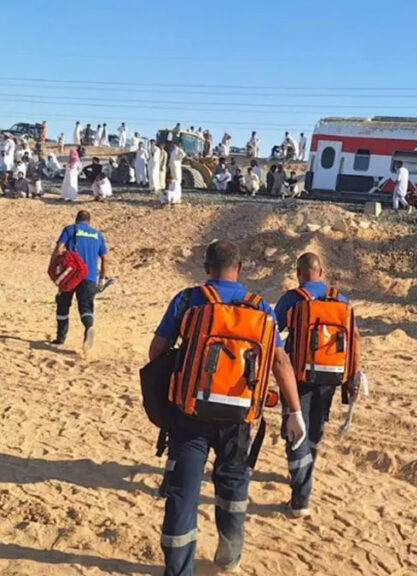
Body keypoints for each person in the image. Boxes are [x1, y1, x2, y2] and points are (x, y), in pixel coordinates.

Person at [148, 241, 306, 575]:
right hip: (238, 417)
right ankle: (229, 556)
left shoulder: (187, 300)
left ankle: (178, 570)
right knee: (233, 487)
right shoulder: (261, 308)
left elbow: (156, 351)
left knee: (183, 493)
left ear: (206, 268)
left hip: (190, 415)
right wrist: (294, 411)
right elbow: (280, 361)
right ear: (241, 267)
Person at [273, 252, 362, 517]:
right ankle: (303, 473)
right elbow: (354, 339)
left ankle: (300, 497)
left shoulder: (292, 299)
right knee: (315, 426)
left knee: (295, 427)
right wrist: (353, 376)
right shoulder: (341, 300)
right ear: (321, 273)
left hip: (298, 376)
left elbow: (273, 332)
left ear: (298, 274)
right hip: (330, 376)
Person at [51, 210, 109, 350]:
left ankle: (60, 337)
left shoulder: (70, 229)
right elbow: (105, 259)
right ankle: (89, 327)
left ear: (76, 220)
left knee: (63, 304)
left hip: (70, 274)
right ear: (89, 221)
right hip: (89, 276)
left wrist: (53, 266)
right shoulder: (98, 235)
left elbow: (59, 248)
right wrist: (101, 279)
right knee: (86, 307)